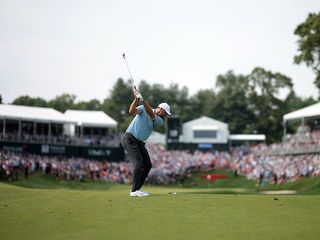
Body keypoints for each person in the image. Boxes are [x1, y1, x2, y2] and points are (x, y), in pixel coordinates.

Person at [121, 88, 171, 197]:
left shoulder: (160, 120)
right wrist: (136, 98)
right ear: (161, 109)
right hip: (129, 138)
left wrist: (142, 99)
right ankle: (134, 191)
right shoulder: (143, 108)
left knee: (148, 165)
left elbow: (151, 114)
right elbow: (131, 111)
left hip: (139, 142)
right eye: (166, 112)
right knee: (138, 163)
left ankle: (137, 189)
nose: (166, 115)